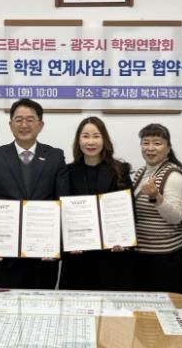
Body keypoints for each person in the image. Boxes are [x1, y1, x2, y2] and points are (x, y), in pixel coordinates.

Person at [0, 98, 69, 289]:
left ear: (40, 125)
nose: (24, 125)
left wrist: (56, 245)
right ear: (10, 124)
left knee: (44, 303)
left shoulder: (55, 156)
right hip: (8, 255)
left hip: (44, 254)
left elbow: (62, 202)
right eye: (19, 120)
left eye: (30, 119)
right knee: (9, 303)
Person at [60, 116, 134, 291]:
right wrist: (67, 242)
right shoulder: (67, 172)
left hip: (111, 257)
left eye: (96, 136)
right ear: (78, 140)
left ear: (104, 139)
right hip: (78, 258)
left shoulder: (120, 170)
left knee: (111, 305)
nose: (91, 142)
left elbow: (129, 211)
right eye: (85, 136)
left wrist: (124, 239)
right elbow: (62, 213)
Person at [131, 123, 182, 293]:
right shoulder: (141, 172)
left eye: (157, 143)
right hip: (141, 255)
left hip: (165, 258)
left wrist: (156, 196)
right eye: (145, 142)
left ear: (168, 148)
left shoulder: (173, 174)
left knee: (166, 307)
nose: (150, 148)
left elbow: (176, 217)